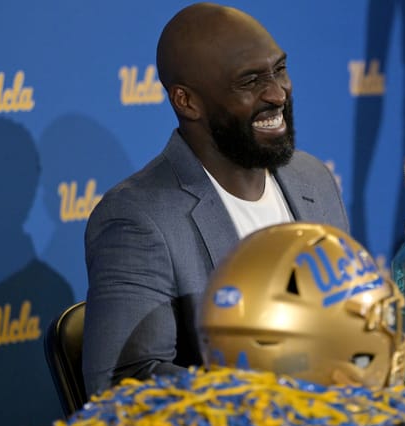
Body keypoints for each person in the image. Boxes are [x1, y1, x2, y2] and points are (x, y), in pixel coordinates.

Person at [81, 3, 349, 397]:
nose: (277, 93)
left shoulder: (313, 178)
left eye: (279, 70)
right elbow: (124, 382)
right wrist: (269, 393)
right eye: (250, 81)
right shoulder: (138, 218)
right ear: (187, 101)